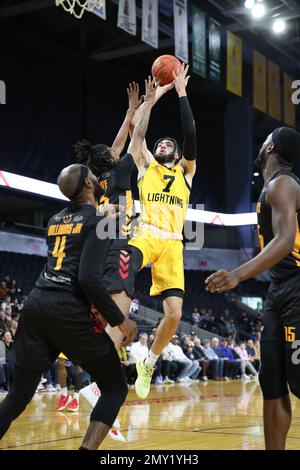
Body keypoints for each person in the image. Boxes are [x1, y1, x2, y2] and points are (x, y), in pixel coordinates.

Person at [0, 163, 139, 450]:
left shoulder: (54, 220)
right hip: (67, 309)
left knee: (17, 396)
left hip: (36, 305)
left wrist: (103, 218)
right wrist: (119, 320)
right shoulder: (99, 222)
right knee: (115, 387)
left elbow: (81, 225)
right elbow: (88, 278)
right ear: (89, 183)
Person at [205, 127, 300, 450]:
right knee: (272, 385)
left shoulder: (283, 183)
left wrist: (237, 275)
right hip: (278, 292)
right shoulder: (271, 186)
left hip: (298, 289)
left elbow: (285, 241)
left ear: (270, 147)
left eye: (263, 140)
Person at [129, 63, 197, 399]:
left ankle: (149, 362)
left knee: (174, 314)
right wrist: (152, 101)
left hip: (173, 245)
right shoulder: (147, 166)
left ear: (180, 155)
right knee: (119, 274)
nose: (164, 145)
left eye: (170, 145)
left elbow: (191, 134)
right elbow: (137, 134)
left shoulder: (186, 173)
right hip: (145, 233)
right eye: (162, 144)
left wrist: (182, 91)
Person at [74, 82, 142, 349]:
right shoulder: (121, 171)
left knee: (99, 314)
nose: (117, 152)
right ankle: (99, 381)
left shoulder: (97, 178)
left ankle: (91, 372)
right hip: (118, 242)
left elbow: (117, 144)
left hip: (97, 247)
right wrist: (146, 105)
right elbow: (134, 140)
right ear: (111, 159)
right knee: (120, 313)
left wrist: (129, 112)